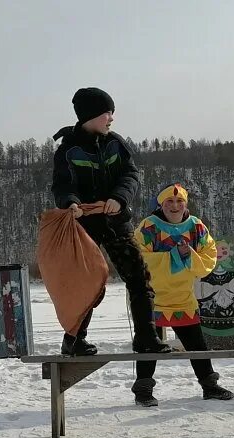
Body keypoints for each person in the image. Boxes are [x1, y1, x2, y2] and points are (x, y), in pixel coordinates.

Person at [50, 86, 170, 356]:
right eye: (108, 113)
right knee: (87, 283)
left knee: (139, 277)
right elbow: (61, 185)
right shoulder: (68, 150)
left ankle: (146, 337)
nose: (112, 119)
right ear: (90, 116)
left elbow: (131, 174)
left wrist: (120, 198)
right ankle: (74, 339)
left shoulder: (115, 142)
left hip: (116, 221)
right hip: (84, 226)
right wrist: (69, 202)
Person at [131, 183, 234, 406]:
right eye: (169, 201)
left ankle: (209, 385)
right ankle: (143, 390)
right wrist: (175, 256)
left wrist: (191, 257)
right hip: (151, 296)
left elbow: (209, 256)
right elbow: (138, 260)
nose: (175, 206)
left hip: (182, 295)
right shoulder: (148, 227)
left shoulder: (196, 227)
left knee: (196, 343)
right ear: (161, 204)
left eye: (180, 202)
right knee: (148, 342)